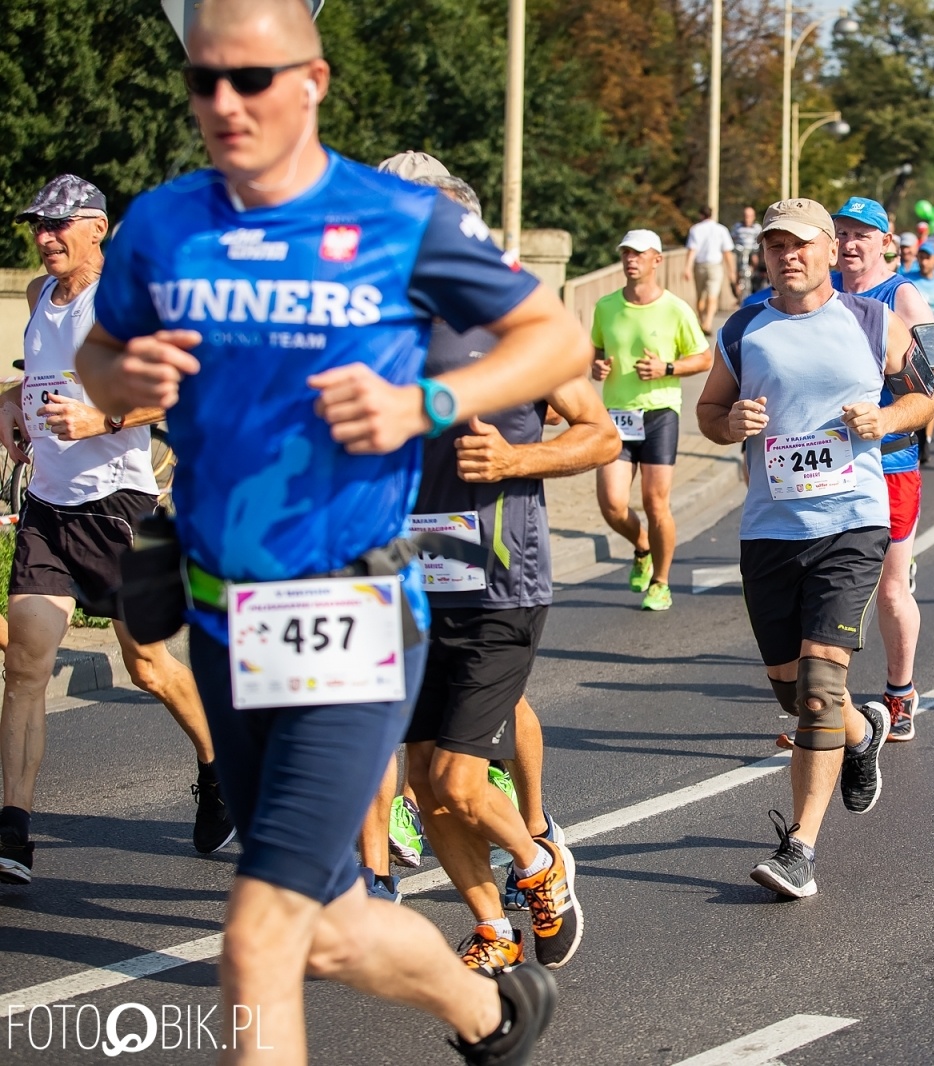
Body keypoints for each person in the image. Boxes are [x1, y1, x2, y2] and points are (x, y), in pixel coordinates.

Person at [75, 1, 588, 1057]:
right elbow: (98, 358)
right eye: (204, 80)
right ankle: (496, 1013)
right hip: (225, 615)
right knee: (328, 924)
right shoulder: (164, 224)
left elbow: (551, 339)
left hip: (354, 602)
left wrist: (426, 404)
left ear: (311, 81)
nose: (224, 102)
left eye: (250, 79)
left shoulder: (398, 221)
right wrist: (118, 375)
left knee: (257, 930)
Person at [397, 172, 616, 977]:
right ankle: (494, 925)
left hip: (500, 579)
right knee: (422, 780)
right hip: (411, 576)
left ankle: (537, 862)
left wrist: (519, 457)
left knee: (457, 775)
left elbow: (599, 436)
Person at [0, 175, 232, 887]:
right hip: (46, 508)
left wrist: (100, 421)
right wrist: (8, 404)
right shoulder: (41, 298)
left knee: (149, 667)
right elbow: (40, 377)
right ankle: (12, 834)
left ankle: (219, 766)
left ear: (97, 230)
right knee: (25, 666)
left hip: (116, 510)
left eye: (58, 226)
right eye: (37, 225)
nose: (45, 238)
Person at [696, 198, 928, 898]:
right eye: (774, 246)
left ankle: (799, 848)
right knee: (795, 694)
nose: (787, 255)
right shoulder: (743, 327)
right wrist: (729, 421)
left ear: (829, 250)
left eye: (800, 244)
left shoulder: (870, 320)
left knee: (822, 688)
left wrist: (884, 417)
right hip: (770, 530)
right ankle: (862, 733)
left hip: (852, 523)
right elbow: (709, 412)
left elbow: (924, 398)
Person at [831, 197, 934, 742]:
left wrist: (882, 405)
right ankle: (831, 706)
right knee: (828, 587)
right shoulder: (822, 291)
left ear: (885, 242)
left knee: (892, 590)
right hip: (828, 461)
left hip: (890, 458)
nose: (850, 244)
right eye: (842, 233)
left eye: (861, 234)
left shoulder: (901, 295)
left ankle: (899, 695)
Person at [592, 229, 712, 611]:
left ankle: (660, 582)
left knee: (654, 502)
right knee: (611, 504)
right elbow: (595, 350)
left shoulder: (675, 308)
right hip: (616, 415)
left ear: (657, 260)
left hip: (660, 412)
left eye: (639, 254)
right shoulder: (606, 306)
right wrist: (596, 366)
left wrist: (667, 366)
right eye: (626, 253)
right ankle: (641, 546)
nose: (631, 260)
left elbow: (704, 358)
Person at [683, 205, 736, 334]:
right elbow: (727, 252)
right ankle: (708, 322)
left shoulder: (695, 229)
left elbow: (692, 250)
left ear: (701, 215)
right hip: (715, 266)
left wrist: (687, 268)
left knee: (700, 296)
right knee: (713, 296)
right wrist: (731, 271)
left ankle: (702, 321)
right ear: (711, 214)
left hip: (699, 266)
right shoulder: (721, 229)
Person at [732, 205, 762, 300]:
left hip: (753, 251)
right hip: (740, 251)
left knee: (755, 260)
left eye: (749, 216)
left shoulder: (757, 227)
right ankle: (737, 289)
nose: (747, 218)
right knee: (737, 268)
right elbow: (732, 238)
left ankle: (753, 276)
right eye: (745, 215)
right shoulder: (737, 227)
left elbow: (760, 241)